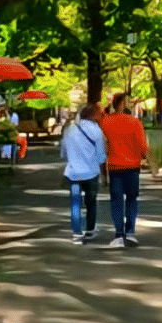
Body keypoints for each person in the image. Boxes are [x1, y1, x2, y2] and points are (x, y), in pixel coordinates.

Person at [102, 92, 149, 247]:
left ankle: (118, 234)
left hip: (114, 166)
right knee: (131, 200)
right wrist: (145, 157)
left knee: (116, 201)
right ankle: (130, 232)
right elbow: (142, 145)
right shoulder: (135, 122)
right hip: (133, 166)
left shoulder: (106, 122)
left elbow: (102, 143)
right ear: (123, 104)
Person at [61, 103, 106, 244]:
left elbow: (63, 152)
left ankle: (77, 234)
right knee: (91, 202)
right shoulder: (96, 130)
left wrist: (72, 159)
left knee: (75, 203)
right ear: (92, 115)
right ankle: (90, 230)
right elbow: (101, 156)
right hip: (91, 172)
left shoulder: (69, 129)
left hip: (73, 172)